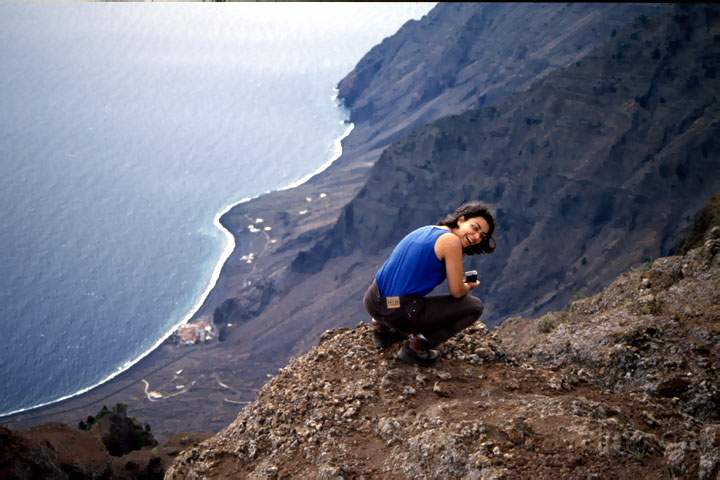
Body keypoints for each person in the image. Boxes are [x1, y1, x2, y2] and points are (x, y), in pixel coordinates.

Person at [363, 202, 496, 366]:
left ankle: (382, 330)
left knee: (400, 297)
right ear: (461, 220)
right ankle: (417, 347)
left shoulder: (427, 230)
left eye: (482, 236)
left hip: (372, 301)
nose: (476, 237)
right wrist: (467, 286)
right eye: (475, 228)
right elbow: (457, 292)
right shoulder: (451, 242)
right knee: (474, 307)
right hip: (397, 312)